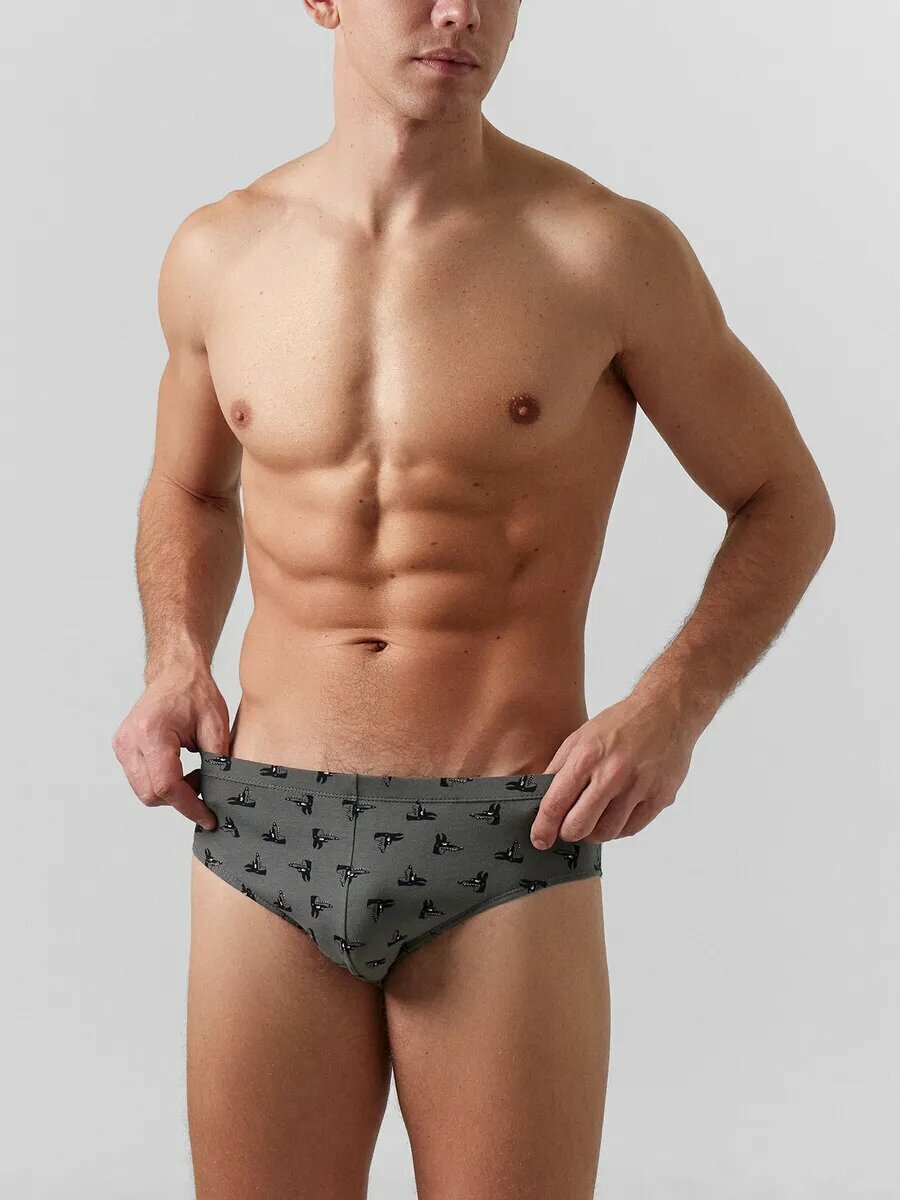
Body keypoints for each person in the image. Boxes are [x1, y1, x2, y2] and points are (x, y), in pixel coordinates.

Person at [111, 1, 836, 1196]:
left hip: (505, 830)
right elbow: (189, 489)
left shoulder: (600, 251)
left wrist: (673, 705)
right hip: (262, 825)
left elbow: (784, 498)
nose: (462, 10)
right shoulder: (219, 253)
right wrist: (174, 654)